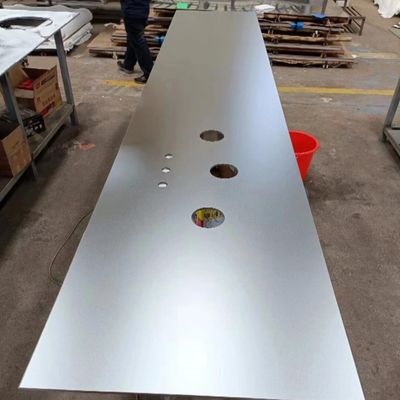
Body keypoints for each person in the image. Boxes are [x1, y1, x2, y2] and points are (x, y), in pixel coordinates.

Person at [118, 0, 154, 84]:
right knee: (133, 37)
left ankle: (149, 73)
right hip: (142, 10)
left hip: (132, 11)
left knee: (138, 41)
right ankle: (128, 64)